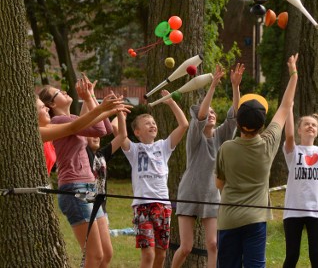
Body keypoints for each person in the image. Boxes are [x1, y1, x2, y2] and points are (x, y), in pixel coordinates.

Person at [215, 54, 299, 268]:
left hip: (228, 219)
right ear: (262, 125)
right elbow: (285, 106)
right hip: (255, 220)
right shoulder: (268, 143)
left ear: (240, 123)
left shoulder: (227, 148)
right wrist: (293, 73)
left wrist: (236, 88)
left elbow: (219, 184)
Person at [39, 75, 118, 268]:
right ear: (51, 103)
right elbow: (99, 130)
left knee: (106, 254)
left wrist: (91, 96)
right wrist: (91, 99)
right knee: (95, 255)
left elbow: (104, 127)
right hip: (74, 188)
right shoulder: (58, 120)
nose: (65, 91)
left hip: (88, 185)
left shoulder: (73, 118)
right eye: (59, 92)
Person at [171, 64, 244, 268]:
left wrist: (235, 87)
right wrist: (212, 86)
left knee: (213, 244)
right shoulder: (195, 136)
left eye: (214, 113)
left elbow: (234, 116)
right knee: (186, 247)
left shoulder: (222, 135)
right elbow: (200, 116)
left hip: (212, 194)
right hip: (189, 192)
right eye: (208, 112)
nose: (210, 114)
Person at [121, 89, 189, 268]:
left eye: (153, 122)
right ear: (137, 131)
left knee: (161, 253)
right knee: (149, 253)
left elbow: (183, 125)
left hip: (163, 207)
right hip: (142, 207)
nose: (152, 125)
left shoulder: (163, 146)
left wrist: (171, 103)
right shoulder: (134, 150)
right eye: (146, 123)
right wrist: (120, 114)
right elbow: (121, 136)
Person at [281, 88, 318, 268]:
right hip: (293, 211)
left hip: (317, 211)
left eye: (314, 125)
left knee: (316, 257)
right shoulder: (292, 151)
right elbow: (288, 135)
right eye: (306, 124)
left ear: (317, 131)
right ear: (300, 130)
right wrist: (289, 109)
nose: (310, 126)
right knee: (292, 257)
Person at [37, 92, 126, 176]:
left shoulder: (65, 120)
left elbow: (100, 127)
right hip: (73, 182)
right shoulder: (56, 121)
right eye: (42, 107)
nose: (47, 108)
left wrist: (111, 110)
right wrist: (95, 103)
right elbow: (75, 127)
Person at [85, 108, 128, 264]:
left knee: (107, 255)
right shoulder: (83, 153)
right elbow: (84, 121)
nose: (96, 136)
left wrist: (119, 114)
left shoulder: (101, 155)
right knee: (96, 255)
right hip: (87, 205)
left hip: (102, 208)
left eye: (98, 134)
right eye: (92, 134)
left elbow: (122, 135)